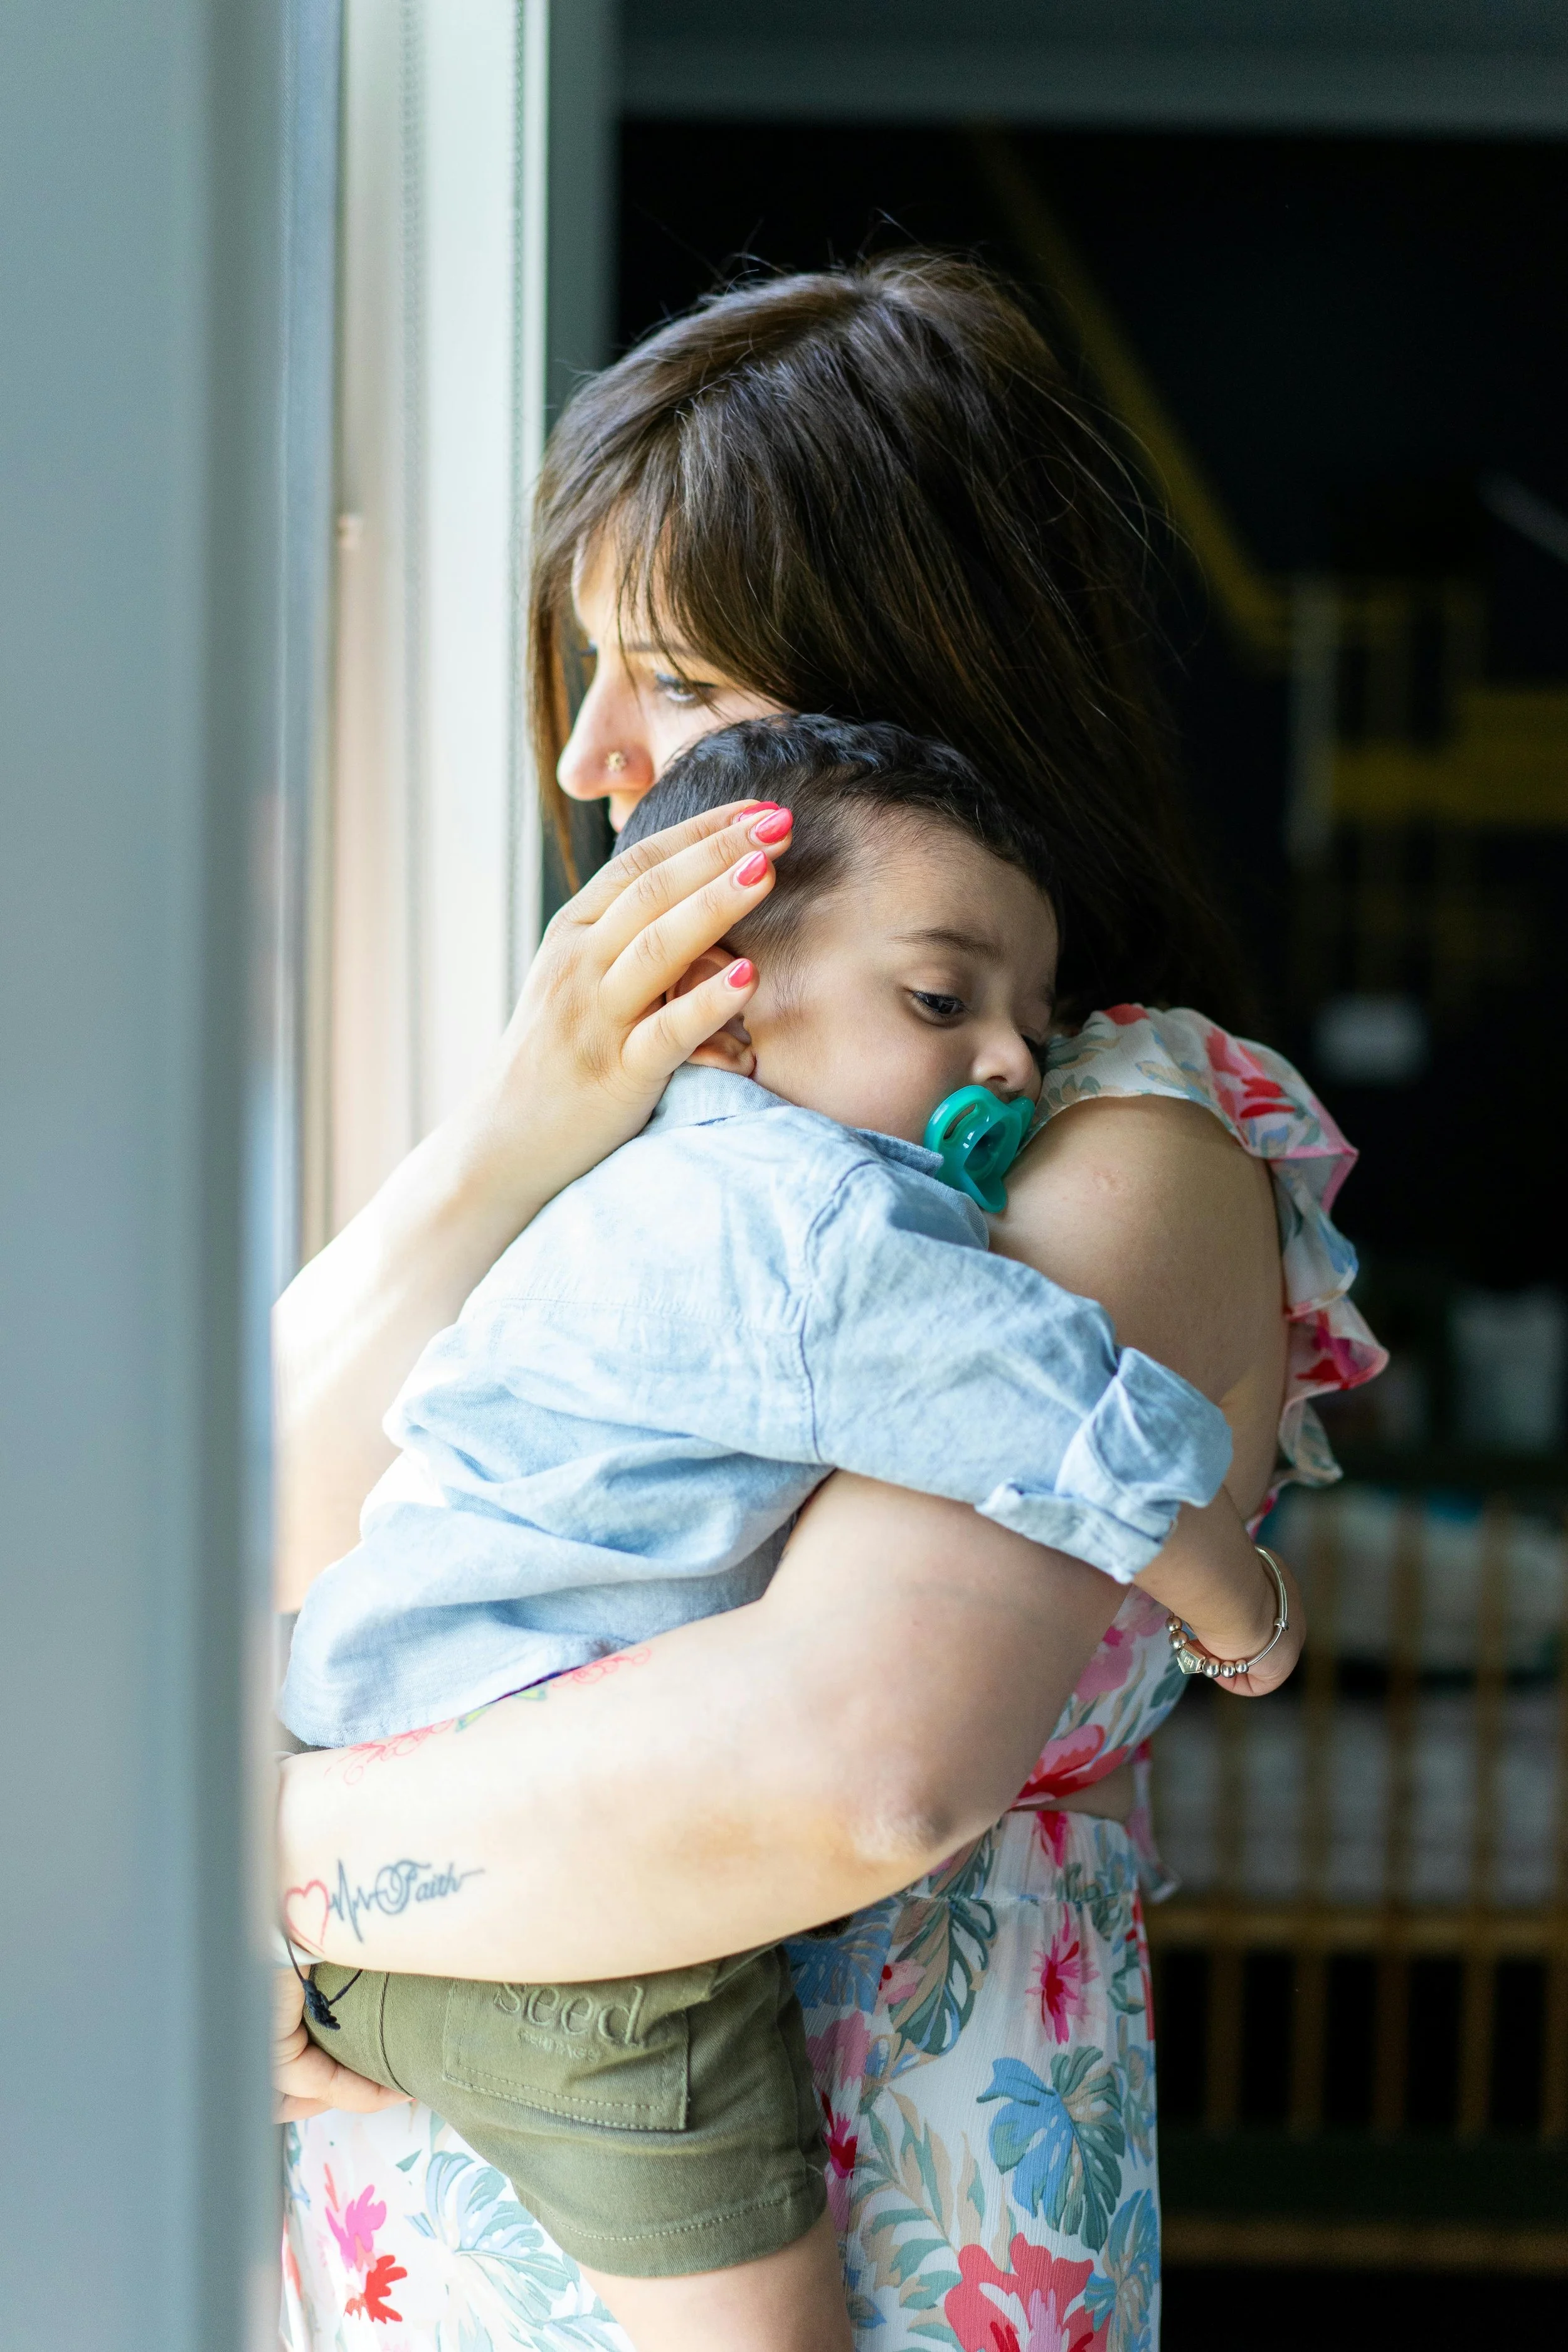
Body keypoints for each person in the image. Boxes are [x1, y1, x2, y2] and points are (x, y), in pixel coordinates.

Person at [274, 256, 1382, 2351]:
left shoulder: (1111, 1135)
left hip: (872, 2232)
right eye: (586, 667)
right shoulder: (677, 1129)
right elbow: (256, 1534)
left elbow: (853, 1763)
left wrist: (249, 1857)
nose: (601, 756)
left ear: (905, 696)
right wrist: (506, 1137)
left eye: (676, 680)